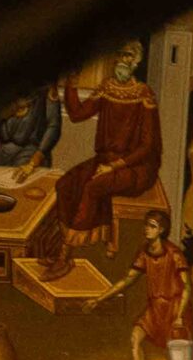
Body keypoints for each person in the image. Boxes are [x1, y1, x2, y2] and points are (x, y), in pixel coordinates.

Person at [29, 42, 159, 274]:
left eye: (128, 56)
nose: (123, 60)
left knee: (91, 187)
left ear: (136, 61)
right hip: (105, 159)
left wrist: (114, 167)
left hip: (135, 167)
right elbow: (77, 114)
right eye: (120, 54)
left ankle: (65, 255)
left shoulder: (144, 94)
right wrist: (72, 83)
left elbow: (147, 146)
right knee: (65, 184)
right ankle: (56, 248)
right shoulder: (107, 87)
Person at [100, 209, 193, 360]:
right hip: (155, 307)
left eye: (152, 226)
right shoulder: (144, 252)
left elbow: (187, 287)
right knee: (135, 339)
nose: (146, 229)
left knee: (182, 359)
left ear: (161, 230)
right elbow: (128, 279)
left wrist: (180, 316)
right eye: (146, 225)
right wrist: (101, 298)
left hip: (175, 308)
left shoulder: (174, 254)